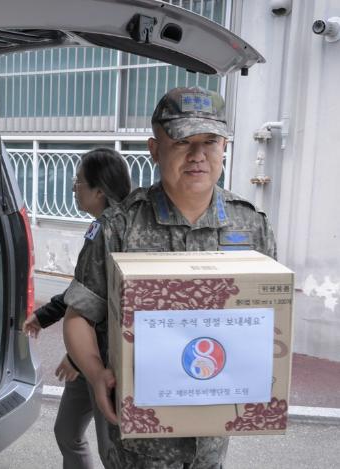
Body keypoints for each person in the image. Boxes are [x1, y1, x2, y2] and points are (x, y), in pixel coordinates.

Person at [63, 86, 276, 468]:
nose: (198, 156)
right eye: (182, 141)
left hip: (210, 437)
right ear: (155, 148)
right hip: (135, 442)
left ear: (224, 147)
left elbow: (268, 315)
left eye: (210, 141)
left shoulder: (251, 226)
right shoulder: (120, 226)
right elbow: (79, 313)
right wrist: (95, 373)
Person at [22, 148, 131, 469]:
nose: (73, 189)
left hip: (105, 362)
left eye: (78, 182)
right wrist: (45, 315)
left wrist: (77, 356)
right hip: (87, 359)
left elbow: (113, 309)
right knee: (67, 432)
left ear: (99, 190)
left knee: (113, 452)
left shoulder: (119, 231)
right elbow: (84, 288)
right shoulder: (100, 227)